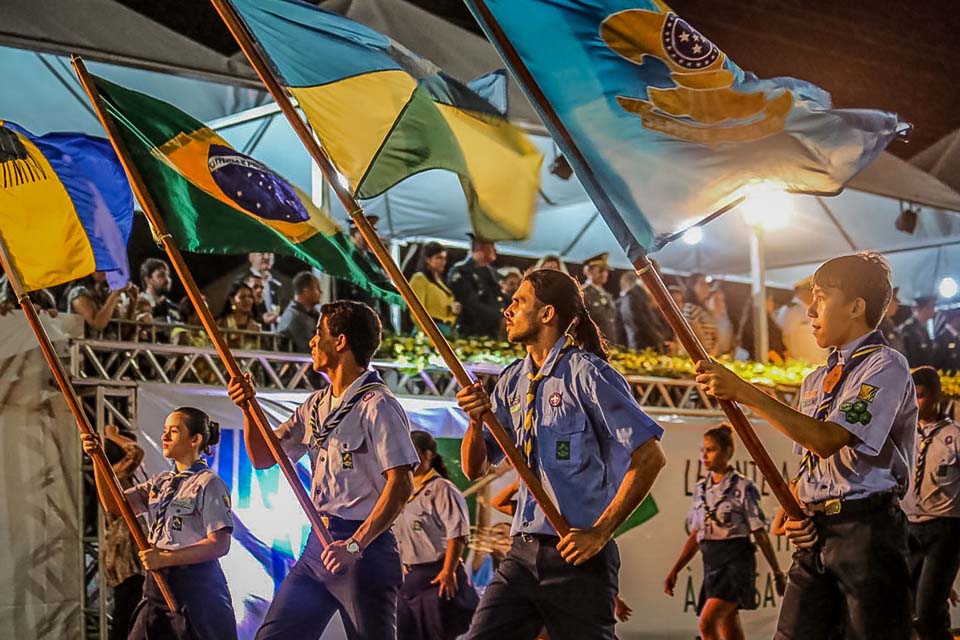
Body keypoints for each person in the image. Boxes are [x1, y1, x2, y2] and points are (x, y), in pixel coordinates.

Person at [695, 251, 916, 640]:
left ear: (855, 307)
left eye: (820, 297)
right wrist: (796, 509)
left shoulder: (885, 365)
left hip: (867, 534)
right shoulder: (815, 379)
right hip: (816, 535)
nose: (809, 310)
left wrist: (745, 392)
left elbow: (827, 439)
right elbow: (810, 462)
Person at [456, 269, 666, 640]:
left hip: (576, 557)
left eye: (519, 302)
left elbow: (650, 457)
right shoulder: (510, 381)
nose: (508, 310)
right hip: (520, 555)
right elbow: (474, 469)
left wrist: (600, 533)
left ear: (547, 314)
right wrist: (474, 422)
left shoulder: (588, 375)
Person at [227, 300, 420, 639]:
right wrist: (248, 407)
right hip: (318, 546)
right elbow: (263, 457)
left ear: (341, 341)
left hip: (365, 551)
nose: (312, 342)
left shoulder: (378, 405)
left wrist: (355, 545)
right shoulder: (315, 405)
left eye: (319, 334)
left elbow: (401, 485)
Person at [81, 407, 236, 640]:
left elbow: (219, 544)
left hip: (195, 587)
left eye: (173, 431)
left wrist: (167, 558)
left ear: (195, 439)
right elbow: (114, 504)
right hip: (156, 584)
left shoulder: (208, 484)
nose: (164, 437)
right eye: (165, 430)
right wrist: (97, 459)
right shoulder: (160, 483)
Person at [664, 424, 786, 640]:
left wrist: (777, 572)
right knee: (727, 627)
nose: (704, 455)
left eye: (711, 450)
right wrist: (675, 570)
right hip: (712, 562)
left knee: (707, 622)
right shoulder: (701, 489)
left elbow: (759, 532)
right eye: (703, 450)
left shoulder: (742, 486)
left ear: (728, 451)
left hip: (735, 562)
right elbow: (696, 535)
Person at [490, 477, 634, 640]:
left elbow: (591, 571)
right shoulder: (535, 513)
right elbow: (498, 503)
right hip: (543, 578)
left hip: (572, 577)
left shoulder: (581, 517)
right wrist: (520, 483)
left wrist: (613, 598)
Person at [396, 430, 478, 640]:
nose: (407, 460)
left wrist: (448, 572)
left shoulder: (442, 489)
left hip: (437, 577)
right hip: (407, 579)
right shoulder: (399, 491)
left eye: (413, 453)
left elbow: (457, 533)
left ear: (428, 455)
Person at [900, 366, 960, 640]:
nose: (915, 402)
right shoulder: (903, 436)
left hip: (944, 529)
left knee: (928, 612)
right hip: (908, 528)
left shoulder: (954, 436)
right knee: (906, 609)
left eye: (921, 395)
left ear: (937, 395)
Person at [100, 426, 146, 640]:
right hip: (126, 561)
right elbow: (136, 452)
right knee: (126, 618)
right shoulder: (116, 473)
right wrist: (112, 435)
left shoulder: (120, 477)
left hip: (127, 560)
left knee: (128, 616)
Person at [337, 216, 395, 332]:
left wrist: (388, 323)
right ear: (354, 234)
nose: (370, 238)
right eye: (365, 233)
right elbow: (343, 294)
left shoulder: (375, 260)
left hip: (377, 318)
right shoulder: (347, 261)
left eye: (372, 234)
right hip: (357, 320)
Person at [449, 233, 502, 338]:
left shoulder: (490, 272)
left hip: (490, 331)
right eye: (491, 247)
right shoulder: (461, 271)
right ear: (479, 248)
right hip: (471, 332)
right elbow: (470, 303)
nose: (495, 250)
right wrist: (498, 317)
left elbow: (499, 297)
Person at [409, 242, 460, 337]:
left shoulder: (441, 283)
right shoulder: (420, 279)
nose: (443, 262)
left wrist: (453, 310)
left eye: (444, 258)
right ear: (427, 259)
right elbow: (416, 312)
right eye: (439, 258)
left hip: (446, 330)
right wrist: (424, 334)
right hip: (429, 331)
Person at [64, 272, 139, 336]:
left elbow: (121, 332)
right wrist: (115, 294)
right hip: (83, 350)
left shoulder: (105, 292)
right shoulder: (78, 293)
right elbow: (97, 324)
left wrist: (133, 305)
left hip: (109, 350)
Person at [778, 277, 828, 365]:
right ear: (801, 291)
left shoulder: (818, 309)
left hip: (820, 363)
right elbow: (783, 339)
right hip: (800, 366)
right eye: (813, 291)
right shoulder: (791, 310)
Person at [617, 271, 668, 352]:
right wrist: (660, 340)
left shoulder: (635, 297)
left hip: (641, 347)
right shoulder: (635, 297)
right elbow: (642, 324)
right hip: (644, 348)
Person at [278, 271, 322, 353]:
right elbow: (312, 347)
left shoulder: (312, 314)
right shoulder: (294, 317)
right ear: (307, 291)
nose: (321, 292)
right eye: (317, 288)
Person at [581, 252, 620, 345]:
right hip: (592, 345)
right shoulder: (583, 292)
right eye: (600, 270)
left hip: (610, 344)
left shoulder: (608, 295)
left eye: (606, 271)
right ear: (588, 271)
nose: (604, 274)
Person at [135, 258, 181, 325]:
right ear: (148, 279)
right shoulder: (137, 303)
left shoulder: (172, 307)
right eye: (161, 275)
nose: (167, 280)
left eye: (168, 275)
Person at [218, 281, 262, 350]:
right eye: (242, 297)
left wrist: (260, 336)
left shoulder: (255, 323)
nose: (247, 300)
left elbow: (268, 350)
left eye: (250, 297)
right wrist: (245, 335)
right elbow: (219, 348)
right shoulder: (222, 323)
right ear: (232, 300)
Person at [683, 273, 719, 356]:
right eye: (702, 284)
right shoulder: (690, 308)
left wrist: (714, 351)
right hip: (702, 356)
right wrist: (708, 354)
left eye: (707, 284)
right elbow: (697, 336)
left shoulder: (705, 310)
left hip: (712, 356)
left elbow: (716, 334)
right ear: (692, 287)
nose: (706, 287)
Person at [899, 295, 937, 367]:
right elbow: (910, 355)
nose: (933, 311)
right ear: (922, 309)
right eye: (931, 307)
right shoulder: (909, 328)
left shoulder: (923, 327)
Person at [707, 286, 734, 356]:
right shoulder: (705, 319)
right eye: (716, 300)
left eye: (722, 300)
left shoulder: (727, 321)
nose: (720, 303)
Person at [880, 287, 906, 354]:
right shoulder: (881, 326)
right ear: (887, 303)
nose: (897, 306)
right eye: (894, 302)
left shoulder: (889, 324)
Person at [933, 309, 960, 373]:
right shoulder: (942, 337)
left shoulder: (956, 335)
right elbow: (938, 360)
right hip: (948, 377)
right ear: (954, 319)